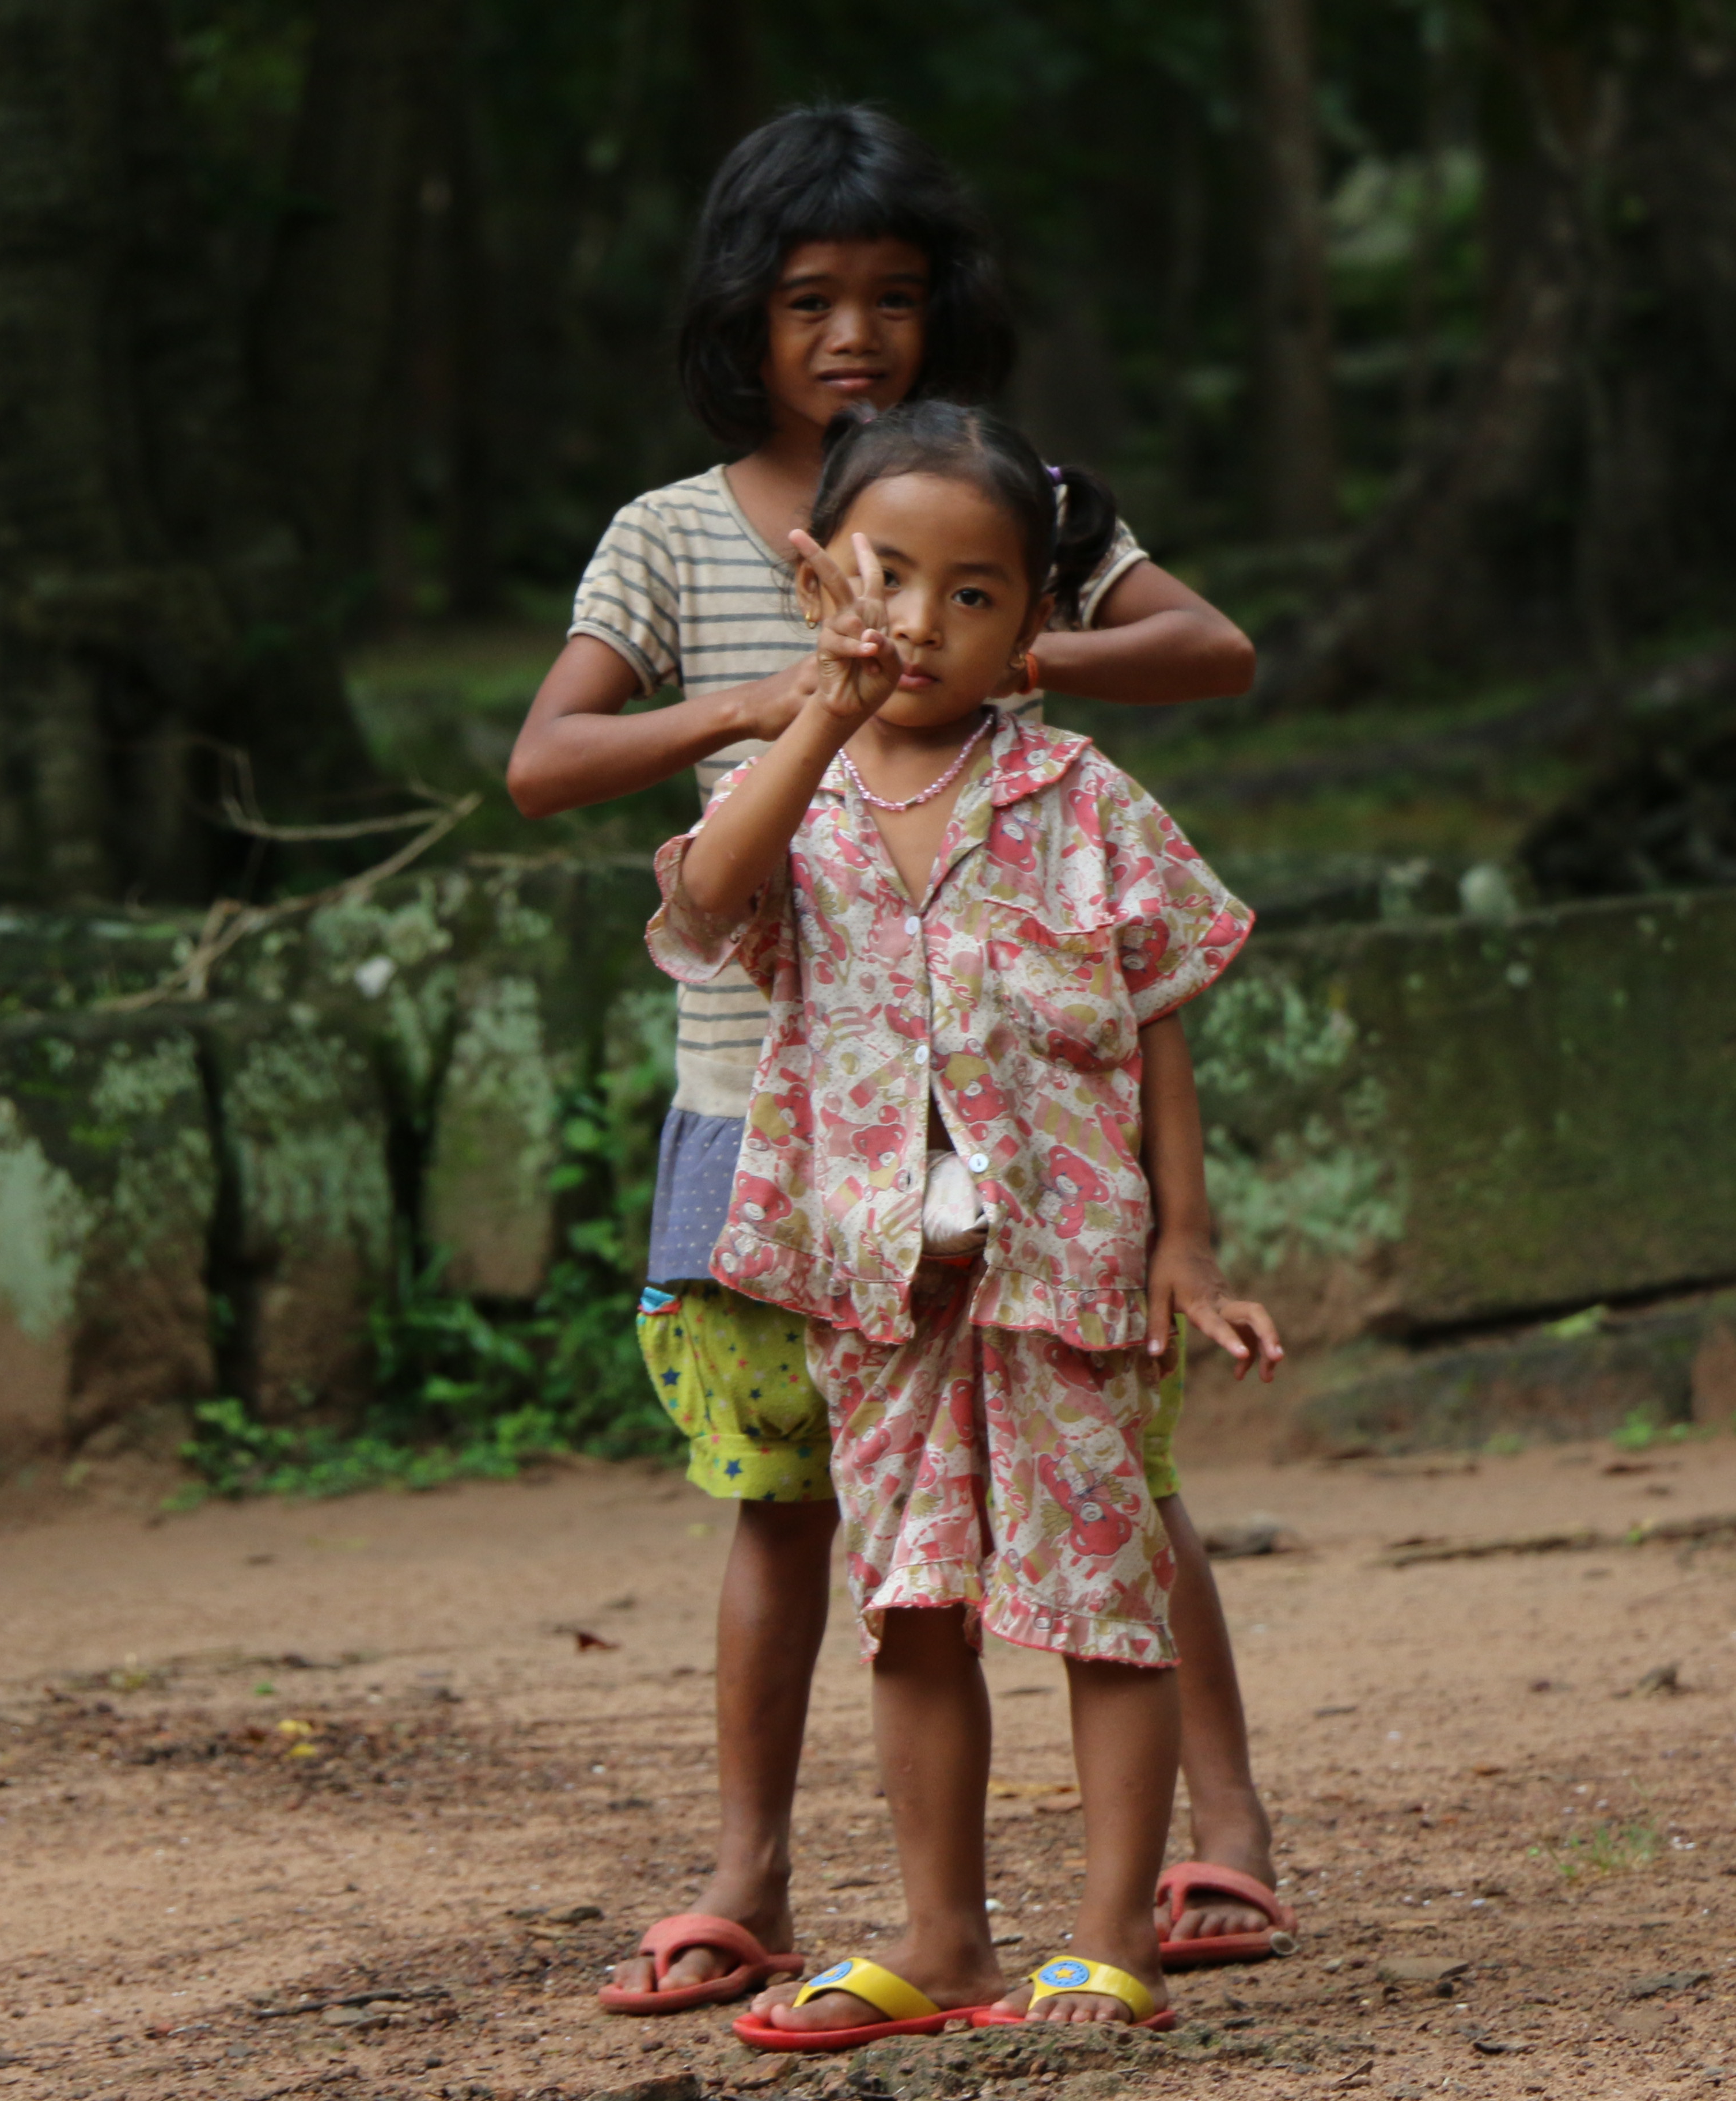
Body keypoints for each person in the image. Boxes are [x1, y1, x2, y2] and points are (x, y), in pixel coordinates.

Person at [506, 107, 1291, 2019]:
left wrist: (1030, 656)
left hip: (1044, 1157)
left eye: (893, 297)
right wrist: (794, 702)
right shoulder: (684, 543)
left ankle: (1206, 1844)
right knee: (825, 1521)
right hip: (787, 1121)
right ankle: (766, 1878)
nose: (852, 333)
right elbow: (568, 786)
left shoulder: (1030, 528)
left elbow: (1208, 671)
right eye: (807, 302)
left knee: (1113, 1497)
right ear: (741, 319)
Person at [642, 400, 1282, 2047]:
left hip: (1067, 1281)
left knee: (1097, 1600)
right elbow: (706, 909)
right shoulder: (785, 798)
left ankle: (1102, 1941)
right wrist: (813, 715)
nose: (924, 624)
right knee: (910, 1608)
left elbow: (1157, 1019)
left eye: (978, 595)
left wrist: (1185, 1242)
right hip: (874, 1294)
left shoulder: (1081, 797)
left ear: (1037, 626)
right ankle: (944, 1943)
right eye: (888, 579)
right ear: (818, 579)